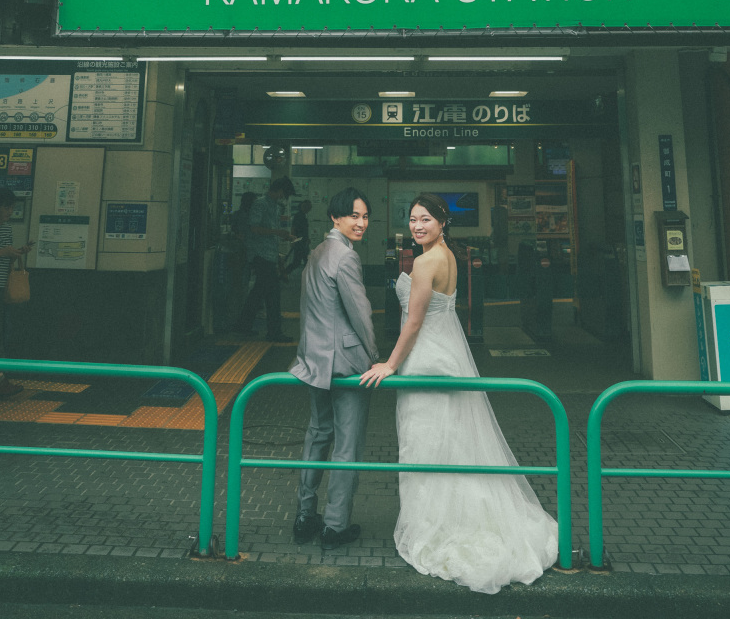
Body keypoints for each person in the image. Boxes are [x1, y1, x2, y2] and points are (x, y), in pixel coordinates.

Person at [361, 192, 558, 595]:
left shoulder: (423, 262)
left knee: (428, 445)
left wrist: (390, 364)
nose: (418, 226)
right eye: (413, 219)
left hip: (425, 360)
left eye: (426, 220)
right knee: (454, 442)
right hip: (448, 354)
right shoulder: (449, 256)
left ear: (442, 222)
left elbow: (413, 324)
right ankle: (462, 516)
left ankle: (438, 527)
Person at [289, 187, 378, 551]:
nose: (361, 222)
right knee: (347, 446)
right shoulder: (345, 257)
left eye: (365, 216)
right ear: (335, 217)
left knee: (317, 436)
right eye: (354, 215)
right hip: (346, 366)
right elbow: (360, 314)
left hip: (314, 361)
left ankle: (305, 515)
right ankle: (335, 526)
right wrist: (375, 358)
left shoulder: (317, 252)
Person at [235, 176, 295, 341]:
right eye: (285, 194)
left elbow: (268, 230)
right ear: (280, 190)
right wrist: (277, 233)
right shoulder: (260, 204)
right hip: (259, 255)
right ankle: (274, 332)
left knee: (259, 292)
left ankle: (243, 325)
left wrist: (284, 236)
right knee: (273, 294)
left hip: (268, 254)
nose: (284, 198)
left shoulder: (275, 206)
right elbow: (254, 228)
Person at [0, 188, 33, 399]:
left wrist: (17, 253)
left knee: (3, 335)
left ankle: (2, 379)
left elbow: (7, 260)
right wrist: (4, 251)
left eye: (12, 207)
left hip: (3, 287)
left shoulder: (7, 230)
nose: (10, 211)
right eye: (7, 207)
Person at [282, 198, 312, 279]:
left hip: (303, 242)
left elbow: (304, 230)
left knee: (306, 261)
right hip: (299, 243)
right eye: (308, 207)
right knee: (298, 262)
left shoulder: (302, 216)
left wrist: (307, 238)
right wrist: (293, 241)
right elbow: (294, 228)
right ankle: (284, 273)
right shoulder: (299, 216)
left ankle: (308, 277)